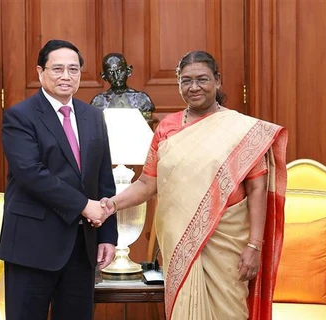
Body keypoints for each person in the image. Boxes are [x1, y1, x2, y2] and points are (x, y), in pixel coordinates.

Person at [101, 51, 288, 320]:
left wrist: (254, 246)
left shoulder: (240, 130)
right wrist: (112, 204)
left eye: (202, 79)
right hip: (180, 243)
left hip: (228, 245)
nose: (194, 87)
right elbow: (146, 183)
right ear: (178, 83)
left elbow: (256, 189)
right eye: (186, 80)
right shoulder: (167, 128)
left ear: (218, 81)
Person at [0, 39, 118, 320]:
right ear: (40, 72)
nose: (66, 76)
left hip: (81, 247)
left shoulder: (94, 116)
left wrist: (108, 236)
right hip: (32, 245)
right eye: (58, 69)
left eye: (73, 69)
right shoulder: (19, 116)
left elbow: (104, 180)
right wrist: (83, 205)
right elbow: (31, 173)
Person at [90, 53, 155, 120]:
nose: (116, 77)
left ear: (128, 71)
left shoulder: (142, 99)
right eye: (111, 73)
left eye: (119, 71)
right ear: (104, 76)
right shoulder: (98, 101)